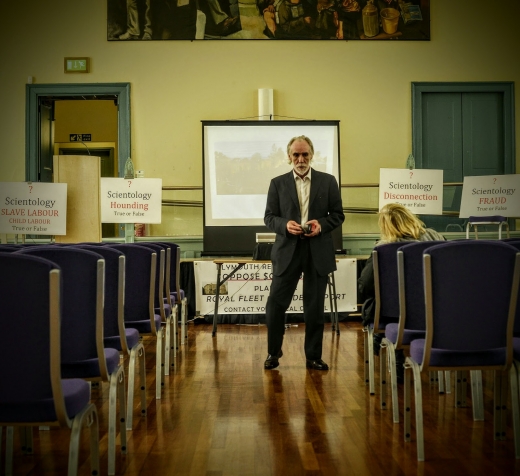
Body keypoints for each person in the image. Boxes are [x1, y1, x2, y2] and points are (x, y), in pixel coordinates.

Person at [263, 135, 345, 371]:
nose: (301, 159)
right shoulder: (277, 183)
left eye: (305, 154)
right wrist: (284, 226)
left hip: (317, 251)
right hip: (287, 251)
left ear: (312, 155)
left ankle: (313, 356)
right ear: (289, 157)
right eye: (296, 155)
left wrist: (321, 225)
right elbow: (269, 217)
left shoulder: (328, 181)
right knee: (275, 305)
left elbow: (338, 215)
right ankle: (273, 352)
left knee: (314, 308)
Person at [357, 202, 445, 380]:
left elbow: (365, 286)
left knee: (383, 299)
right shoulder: (437, 239)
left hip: (394, 314)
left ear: (385, 226)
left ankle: (387, 343)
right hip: (436, 313)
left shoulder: (384, 248)